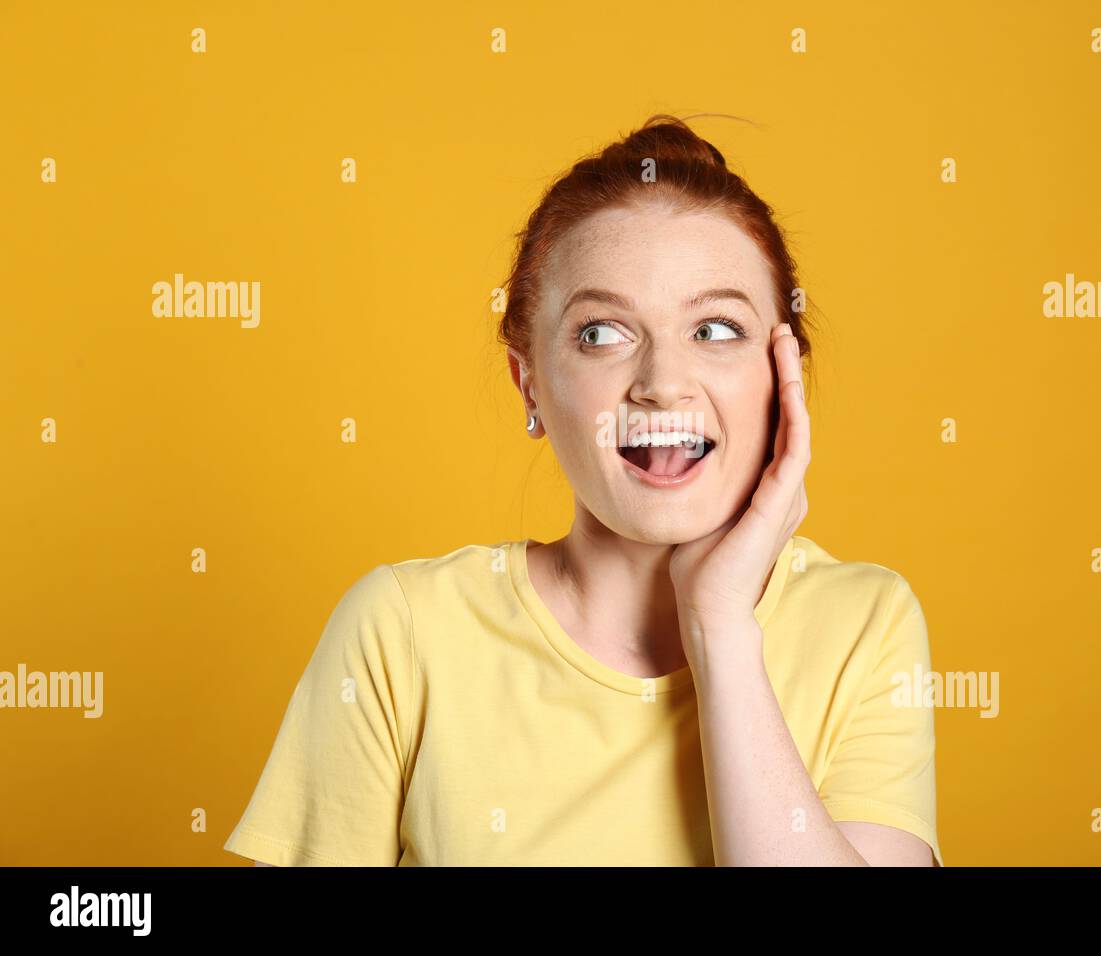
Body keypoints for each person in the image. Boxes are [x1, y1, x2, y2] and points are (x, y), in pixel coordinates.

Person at [223, 113, 942, 866]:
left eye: (717, 329)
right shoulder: (402, 632)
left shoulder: (866, 623)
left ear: (782, 374)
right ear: (528, 381)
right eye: (603, 333)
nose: (663, 385)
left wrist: (721, 626)